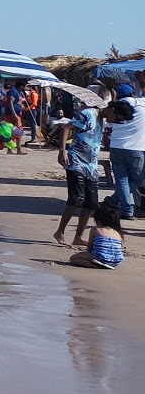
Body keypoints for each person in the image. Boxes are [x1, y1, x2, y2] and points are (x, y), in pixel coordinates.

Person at [52, 105, 101, 247]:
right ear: (112, 111)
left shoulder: (102, 119)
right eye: (116, 118)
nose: (115, 121)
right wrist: (62, 150)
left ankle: (78, 237)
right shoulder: (87, 114)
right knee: (76, 199)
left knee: (91, 203)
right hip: (76, 161)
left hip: (91, 164)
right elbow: (66, 127)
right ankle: (60, 231)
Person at [102, 86, 143, 221]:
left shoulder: (114, 108)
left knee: (121, 179)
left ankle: (116, 203)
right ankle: (124, 208)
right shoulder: (141, 104)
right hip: (136, 149)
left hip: (116, 147)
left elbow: (108, 125)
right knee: (137, 179)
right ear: (133, 93)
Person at [69, 201, 125, 269]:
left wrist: (88, 256)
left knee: (73, 258)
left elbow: (90, 246)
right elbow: (120, 247)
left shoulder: (96, 229)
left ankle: (94, 265)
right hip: (116, 260)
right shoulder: (118, 233)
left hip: (100, 257)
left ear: (98, 221)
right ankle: (106, 264)